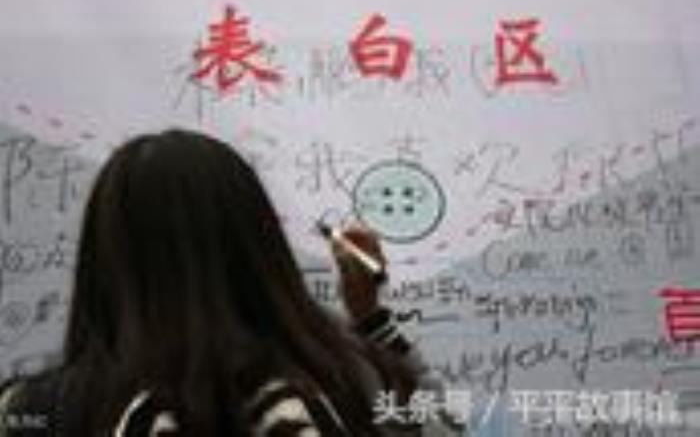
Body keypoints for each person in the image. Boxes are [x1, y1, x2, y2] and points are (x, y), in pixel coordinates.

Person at [0, 130, 464, 436]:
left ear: (103, 259)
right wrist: (370, 318)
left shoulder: (34, 410)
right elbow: (441, 430)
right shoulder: (340, 382)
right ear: (258, 246)